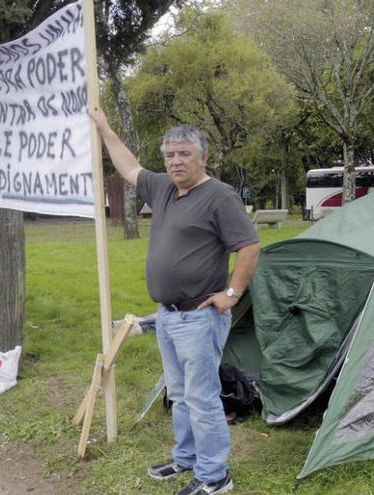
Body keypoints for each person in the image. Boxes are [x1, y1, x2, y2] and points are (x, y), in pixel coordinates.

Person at [90, 108, 261, 495]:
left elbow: (249, 246)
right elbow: (129, 166)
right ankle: (185, 459)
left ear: (203, 158)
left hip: (200, 318)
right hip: (167, 317)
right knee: (179, 394)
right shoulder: (164, 188)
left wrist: (231, 295)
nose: (175, 161)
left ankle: (216, 475)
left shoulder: (219, 196)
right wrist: (104, 128)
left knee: (202, 398)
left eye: (184, 154)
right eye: (169, 155)